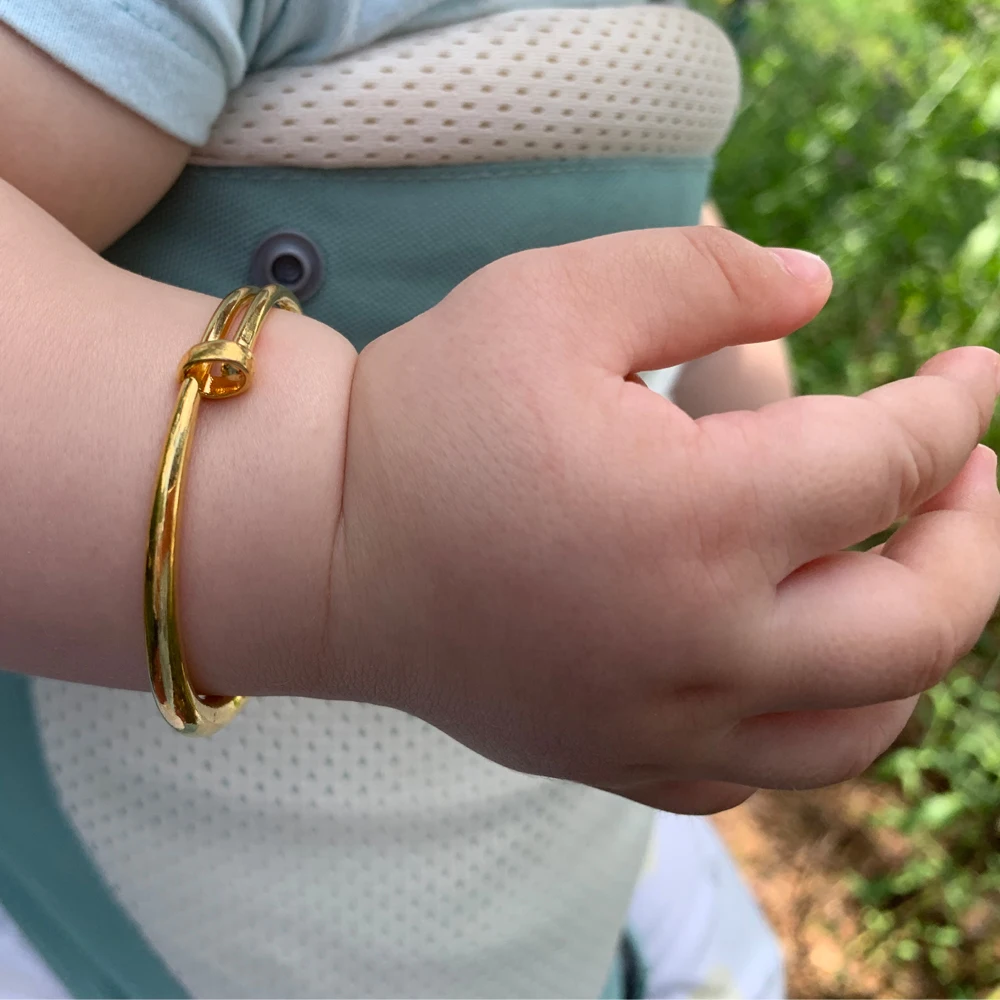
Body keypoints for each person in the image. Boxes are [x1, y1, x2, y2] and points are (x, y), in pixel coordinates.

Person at [1, 1, 999, 997]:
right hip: (115, 923)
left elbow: (632, 185)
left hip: (550, 872)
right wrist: (340, 521)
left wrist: (755, 447)